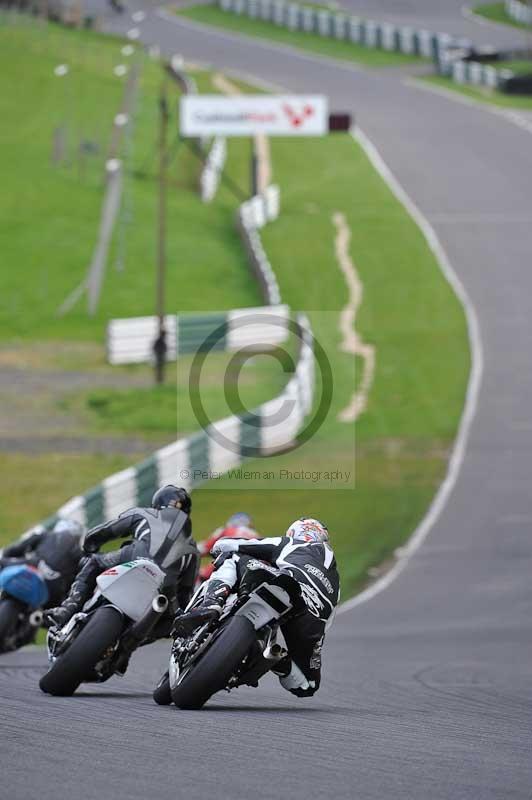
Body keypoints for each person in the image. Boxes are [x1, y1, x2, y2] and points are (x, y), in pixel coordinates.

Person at [173, 518, 340, 698]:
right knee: (308, 685)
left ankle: (213, 601)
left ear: (295, 533)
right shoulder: (336, 580)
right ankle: (277, 660)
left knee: (234, 555)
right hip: (311, 620)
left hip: (285, 583)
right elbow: (326, 622)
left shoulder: (292, 543)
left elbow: (238, 544)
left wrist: (218, 548)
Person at [44, 486, 199, 638]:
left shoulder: (143, 513)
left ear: (157, 503)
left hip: (132, 558)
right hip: (164, 590)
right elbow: (186, 594)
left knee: (93, 562)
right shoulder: (193, 548)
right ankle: (124, 652)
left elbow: (104, 531)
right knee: (174, 621)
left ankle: (69, 607)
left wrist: (89, 546)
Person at [0, 518, 84, 607]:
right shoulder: (80, 555)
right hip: (53, 590)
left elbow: (15, 550)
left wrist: (8, 558)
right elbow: (74, 582)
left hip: (33, 566)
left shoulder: (46, 535)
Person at [197, 512, 258, 582]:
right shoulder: (255, 535)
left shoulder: (225, 530)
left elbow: (203, 548)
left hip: (226, 567)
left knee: (198, 574)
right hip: (250, 572)